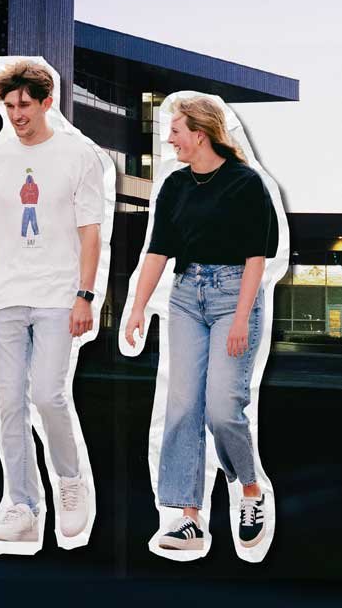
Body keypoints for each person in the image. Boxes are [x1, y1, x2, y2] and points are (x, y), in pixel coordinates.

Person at [0, 60, 104, 543]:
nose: (16, 113)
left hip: (59, 295)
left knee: (47, 393)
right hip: (6, 298)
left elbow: (90, 233)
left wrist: (85, 295)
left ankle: (70, 481)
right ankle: (21, 505)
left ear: (46, 102)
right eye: (9, 105)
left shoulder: (78, 153)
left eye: (24, 104)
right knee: (9, 404)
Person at [125, 95, 278, 551]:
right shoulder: (175, 184)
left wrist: (240, 318)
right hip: (187, 296)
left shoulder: (245, 183)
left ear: (200, 133)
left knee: (221, 409)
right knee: (182, 405)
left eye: (175, 131)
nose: (169, 139)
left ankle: (250, 489)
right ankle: (189, 517)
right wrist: (136, 307)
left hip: (236, 294)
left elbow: (257, 256)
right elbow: (157, 250)